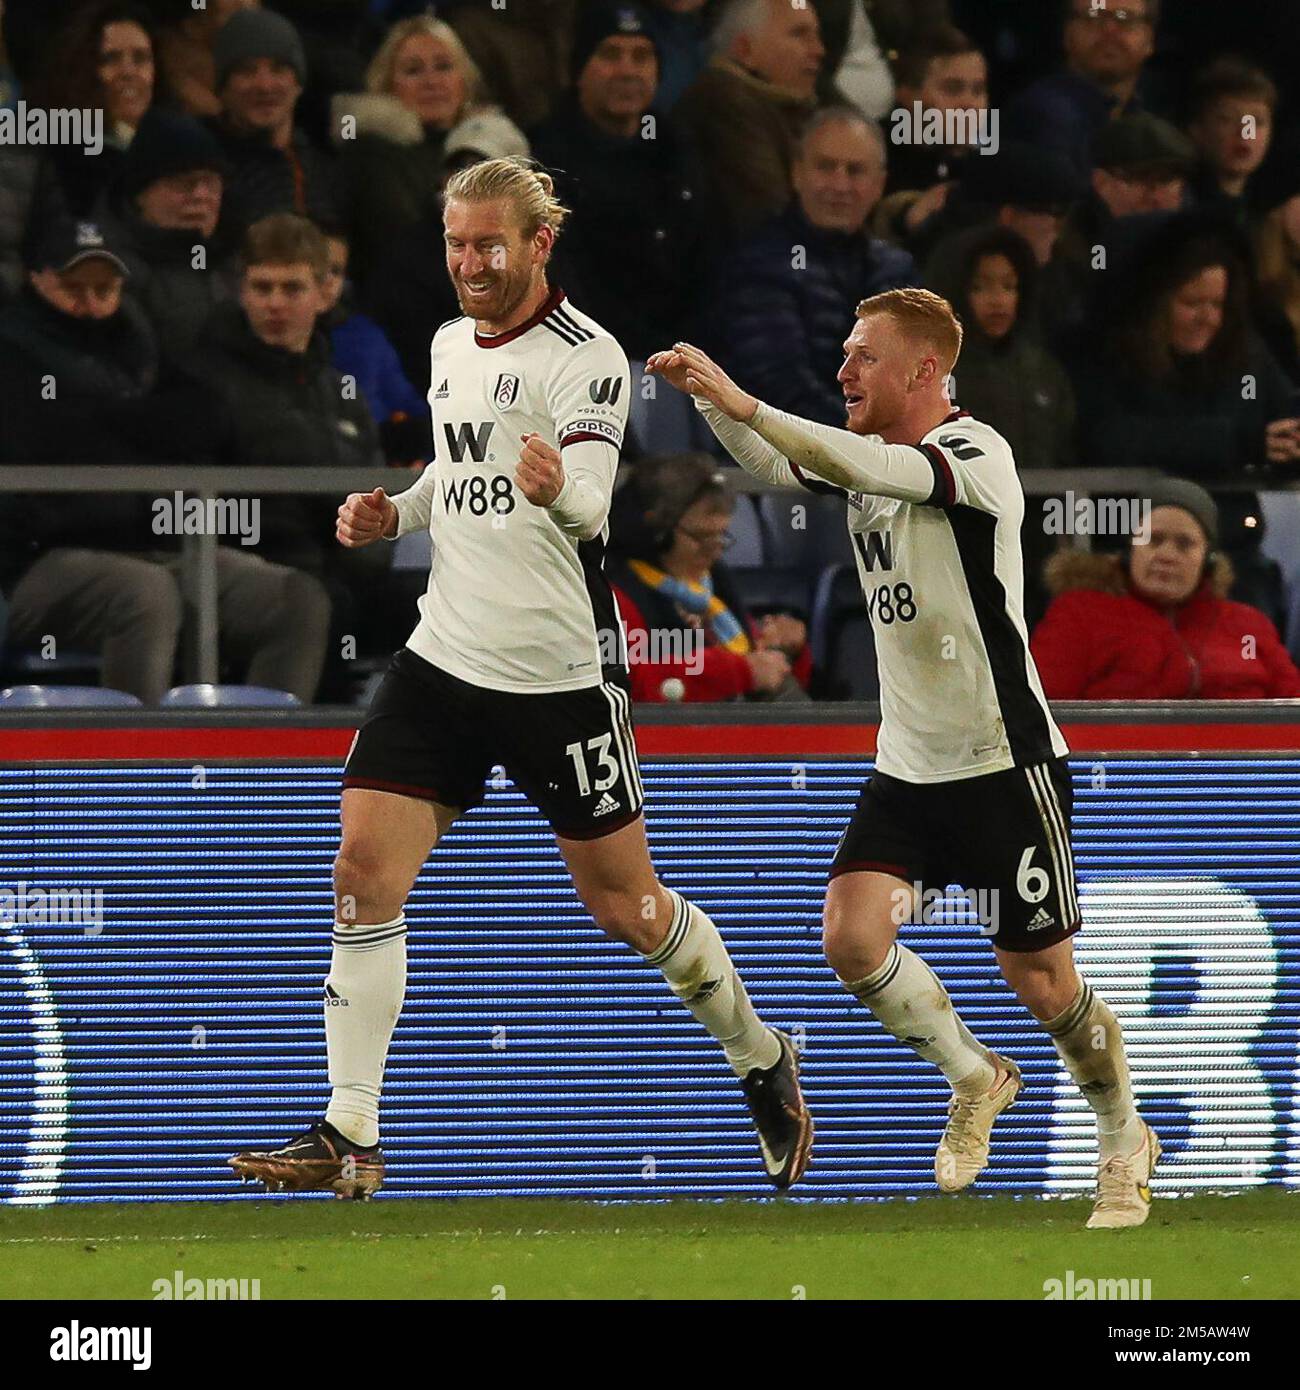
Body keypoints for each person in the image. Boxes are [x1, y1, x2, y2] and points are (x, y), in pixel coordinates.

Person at [228, 157, 813, 1200]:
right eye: (455, 243)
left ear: (540, 244)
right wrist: (393, 513)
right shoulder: (451, 343)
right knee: (361, 871)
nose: (468, 263)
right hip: (444, 655)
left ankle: (758, 1053)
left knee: (627, 906)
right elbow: (456, 474)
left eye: (486, 243)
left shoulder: (586, 358)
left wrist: (560, 493)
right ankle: (349, 1129)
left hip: (557, 675)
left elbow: (592, 500)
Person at [647, 288, 1160, 1229]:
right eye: (844, 354)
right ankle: (976, 1076)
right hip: (911, 766)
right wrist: (715, 402)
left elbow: (837, 455)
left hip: (1005, 764)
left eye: (863, 357)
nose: (844, 370)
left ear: (924, 371)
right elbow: (783, 460)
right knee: (851, 936)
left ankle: (1123, 1139)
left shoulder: (975, 454)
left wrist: (739, 395)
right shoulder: (869, 465)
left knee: (1044, 982)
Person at [0, 218, 331, 704]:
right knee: (143, 594)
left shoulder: (136, 340)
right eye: (75, 288)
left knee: (294, 600)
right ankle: (139, 773)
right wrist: (129, 428)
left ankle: (252, 772)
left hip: (155, 543)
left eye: (105, 288)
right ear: (37, 279)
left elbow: (206, 417)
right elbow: (44, 444)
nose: (92, 304)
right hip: (36, 561)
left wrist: (106, 424)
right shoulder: (12, 355)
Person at [529, 0, 714, 360]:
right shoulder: (547, 157)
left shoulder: (676, 148)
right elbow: (564, 280)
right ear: (579, 69)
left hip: (685, 353)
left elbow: (707, 261)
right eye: (610, 54)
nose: (627, 70)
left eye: (641, 56)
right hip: (595, 354)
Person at [711, 106, 914, 426]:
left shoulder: (898, 271)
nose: (839, 184)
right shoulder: (760, 264)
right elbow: (779, 387)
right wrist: (864, 436)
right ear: (796, 174)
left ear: (879, 184)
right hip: (776, 459)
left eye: (855, 171)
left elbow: (920, 379)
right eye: (826, 167)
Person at [1032, 480, 1300, 699]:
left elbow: (1292, 707)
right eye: (1153, 540)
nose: (1167, 555)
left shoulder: (1249, 626)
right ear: (1130, 550)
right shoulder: (1080, 615)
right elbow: (1043, 712)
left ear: (1208, 558)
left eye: (1184, 544)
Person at [1074, 222, 1300, 476]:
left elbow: (1286, 410)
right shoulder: (1108, 358)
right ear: (1154, 303)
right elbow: (1111, 440)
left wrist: (1290, 442)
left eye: (1217, 304)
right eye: (1192, 303)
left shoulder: (1246, 354)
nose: (1208, 319)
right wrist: (1238, 443)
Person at [332, 15, 526, 292]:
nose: (431, 81)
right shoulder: (370, 155)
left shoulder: (493, 150)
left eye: (444, 67)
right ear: (387, 84)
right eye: (413, 70)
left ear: (465, 79)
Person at [608, 453, 812, 702]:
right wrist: (740, 672)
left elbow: (767, 679)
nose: (716, 549)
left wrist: (788, 651)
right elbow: (627, 682)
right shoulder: (617, 594)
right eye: (702, 537)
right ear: (656, 531)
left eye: (722, 535)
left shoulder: (712, 586)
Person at [925, 224, 1076, 470]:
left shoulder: (1042, 370)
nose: (997, 300)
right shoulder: (935, 373)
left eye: (1009, 286)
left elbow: (1066, 452)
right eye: (979, 287)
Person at [675, 0, 825, 240]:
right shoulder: (725, 104)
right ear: (745, 50)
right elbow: (772, 217)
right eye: (799, 34)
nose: (819, 50)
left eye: (817, 36)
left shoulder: (798, 107)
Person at [99, 109, 236, 367]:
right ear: (140, 194)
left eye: (211, 183)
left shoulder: (240, 259)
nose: (200, 196)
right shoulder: (111, 271)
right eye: (184, 182)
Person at [206, 8, 339, 235]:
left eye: (278, 69)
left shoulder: (325, 170)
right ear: (223, 88)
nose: (264, 86)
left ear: (298, 84)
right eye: (247, 71)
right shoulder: (203, 168)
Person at [1007, 0, 1159, 178]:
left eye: (1125, 19)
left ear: (1150, 39)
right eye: (1092, 17)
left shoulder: (1147, 119)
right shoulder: (1043, 115)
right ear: (1067, 34)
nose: (1109, 30)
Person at [319, 223, 431, 466]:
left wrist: (420, 454)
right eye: (320, 270)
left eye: (336, 271)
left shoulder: (366, 338)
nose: (327, 281)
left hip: (376, 467)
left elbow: (409, 406)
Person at [875, 24, 989, 245]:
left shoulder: (984, 166)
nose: (969, 104)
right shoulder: (872, 156)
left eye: (978, 90)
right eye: (953, 89)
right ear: (907, 95)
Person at [1187, 57, 1276, 229]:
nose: (1245, 133)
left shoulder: (1267, 214)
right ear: (1197, 130)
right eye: (1227, 119)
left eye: (1257, 121)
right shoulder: (1182, 205)